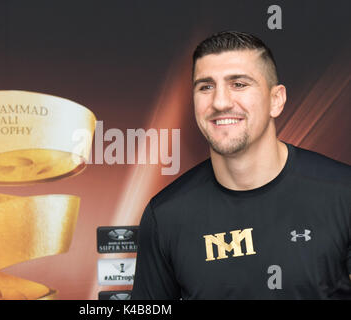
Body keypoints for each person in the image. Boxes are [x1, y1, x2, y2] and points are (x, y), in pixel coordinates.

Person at [131, 31, 351, 299]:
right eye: (206, 86)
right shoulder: (165, 216)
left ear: (276, 100)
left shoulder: (343, 193)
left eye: (239, 84)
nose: (220, 102)